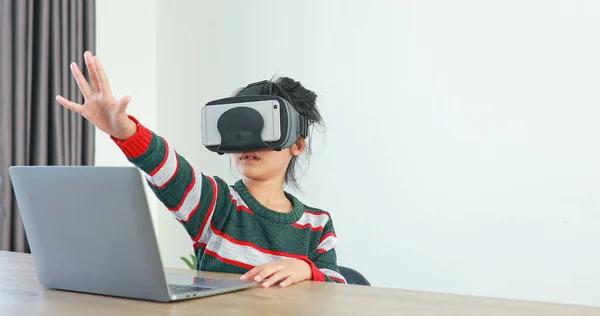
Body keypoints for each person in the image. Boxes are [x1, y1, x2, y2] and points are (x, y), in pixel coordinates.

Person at [57, 51, 346, 288]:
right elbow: (167, 167)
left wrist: (307, 270)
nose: (246, 143)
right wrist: (125, 132)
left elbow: (336, 287)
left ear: (296, 144)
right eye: (238, 130)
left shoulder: (317, 224)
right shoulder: (218, 205)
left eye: (263, 130)